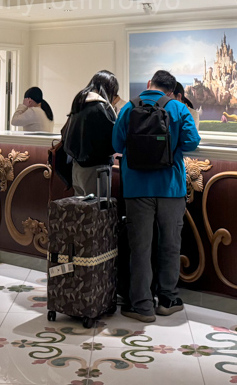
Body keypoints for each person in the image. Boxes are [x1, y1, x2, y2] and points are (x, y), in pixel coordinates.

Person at [113, 69, 200, 323]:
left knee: (139, 247)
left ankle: (141, 305)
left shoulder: (128, 108)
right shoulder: (178, 108)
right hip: (170, 188)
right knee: (170, 244)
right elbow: (192, 142)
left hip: (137, 188)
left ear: (149, 83)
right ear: (171, 91)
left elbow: (117, 145)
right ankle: (168, 300)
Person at [63, 70, 119, 196]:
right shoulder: (101, 108)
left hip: (77, 167)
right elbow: (112, 141)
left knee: (81, 212)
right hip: (96, 169)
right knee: (97, 211)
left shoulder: (79, 103)